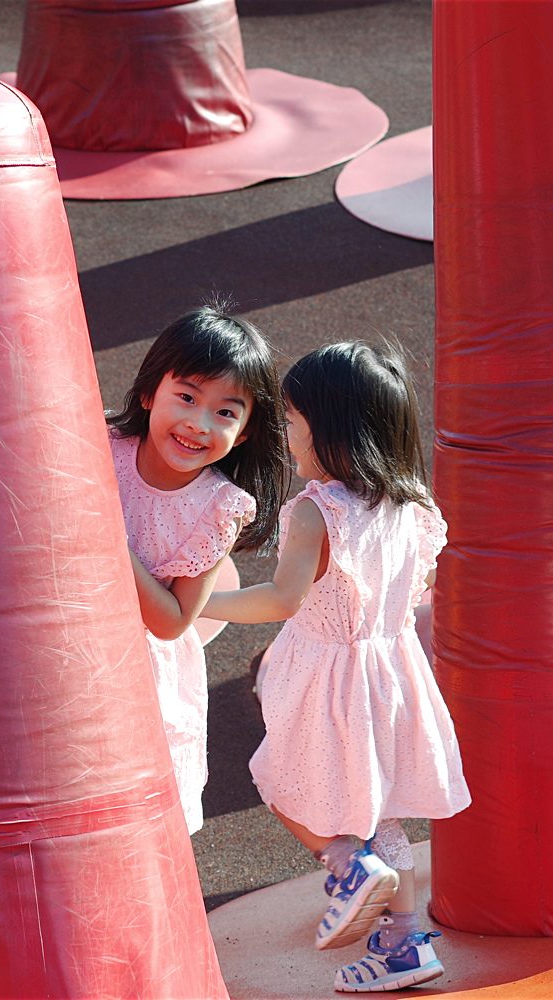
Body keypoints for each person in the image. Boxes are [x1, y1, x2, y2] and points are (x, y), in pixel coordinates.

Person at [203, 341, 469, 993]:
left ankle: (344, 862)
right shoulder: (412, 510)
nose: (285, 434)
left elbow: (282, 597)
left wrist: (199, 601)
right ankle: (406, 946)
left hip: (327, 678)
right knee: (380, 815)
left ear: (331, 430)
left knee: (276, 778)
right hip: (390, 675)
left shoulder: (319, 511)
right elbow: (414, 591)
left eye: (291, 422)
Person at [108, 305, 286, 834]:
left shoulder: (219, 507)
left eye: (225, 413)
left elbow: (171, 622)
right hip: (63, 638)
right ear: (148, 394)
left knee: (129, 804)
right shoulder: (102, 447)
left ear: (247, 431)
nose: (198, 423)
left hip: (139, 669)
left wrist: (110, 544)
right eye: (186, 397)